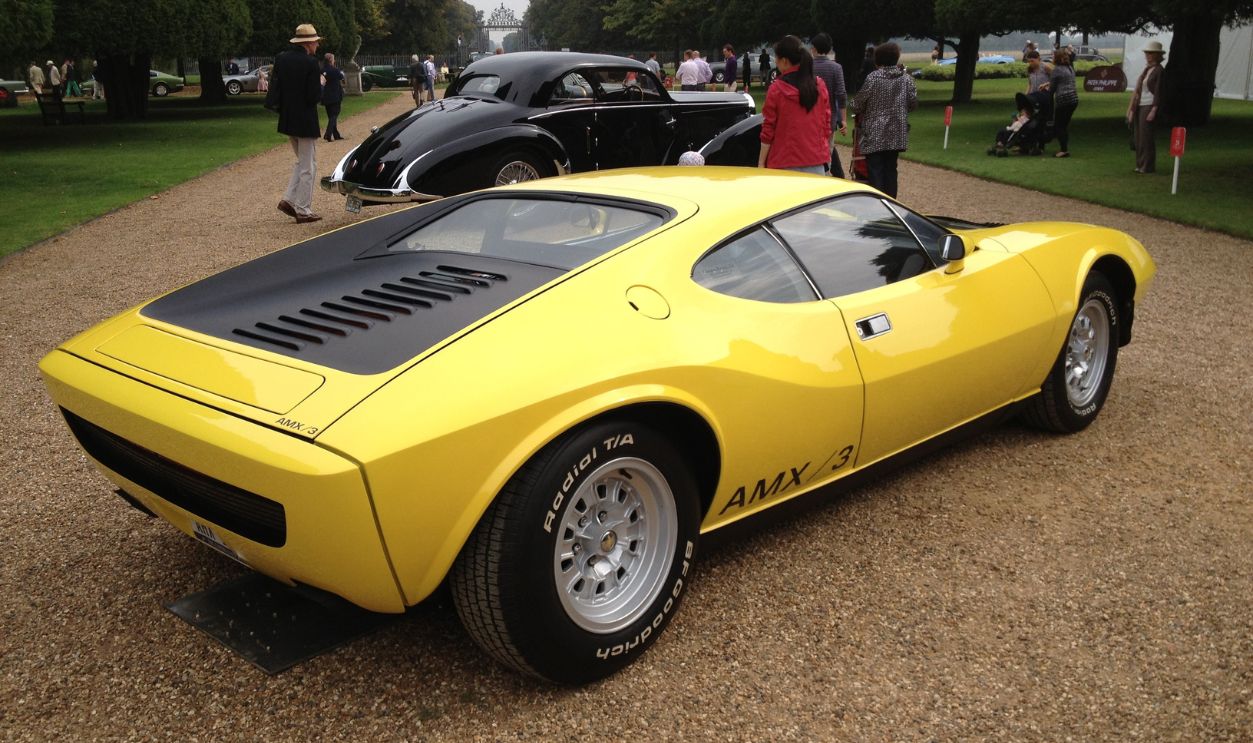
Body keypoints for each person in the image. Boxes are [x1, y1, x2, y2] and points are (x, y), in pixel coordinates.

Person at [851, 42, 917, 198]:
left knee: (875, 171)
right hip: (896, 132)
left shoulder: (873, 78)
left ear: (878, 60)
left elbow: (857, 104)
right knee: (891, 170)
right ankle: (891, 202)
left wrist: (854, 105)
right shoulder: (906, 79)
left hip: (874, 133)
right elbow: (913, 103)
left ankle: (878, 205)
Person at [758, 35, 831, 174]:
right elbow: (826, 124)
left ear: (784, 61)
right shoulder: (819, 85)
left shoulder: (777, 89)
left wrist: (761, 161)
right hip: (816, 161)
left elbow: (768, 130)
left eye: (777, 59)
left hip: (783, 162)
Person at [274, 23, 324, 224]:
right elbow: (313, 97)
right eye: (316, 42)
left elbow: (277, 89)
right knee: (308, 166)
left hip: (288, 117)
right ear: (309, 43)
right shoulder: (310, 63)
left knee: (302, 162)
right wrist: (320, 84)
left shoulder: (282, 59)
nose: (317, 45)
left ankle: (288, 200)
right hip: (304, 119)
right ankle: (303, 209)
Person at [810, 33, 848, 178]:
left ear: (813, 48)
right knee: (827, 152)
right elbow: (841, 94)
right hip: (829, 118)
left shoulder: (807, 67)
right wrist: (843, 118)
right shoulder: (836, 68)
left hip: (809, 118)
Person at [1128, 40, 1165, 174]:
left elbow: (1159, 91)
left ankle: (1147, 166)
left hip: (1149, 105)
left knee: (1146, 137)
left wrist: (1154, 109)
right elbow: (1138, 90)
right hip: (1140, 104)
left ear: (1157, 55)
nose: (1148, 55)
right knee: (1138, 137)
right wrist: (1132, 109)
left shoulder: (1159, 71)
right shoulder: (1147, 70)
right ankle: (1140, 164)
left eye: (1151, 53)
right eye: (1147, 53)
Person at [1043, 47, 1078, 157]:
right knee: (1063, 125)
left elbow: (1052, 89)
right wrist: (1047, 84)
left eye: (1053, 56)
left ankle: (1063, 150)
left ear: (1056, 58)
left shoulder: (1056, 70)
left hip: (1063, 100)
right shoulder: (1069, 67)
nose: (1052, 57)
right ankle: (1062, 146)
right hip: (1074, 99)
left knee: (1059, 126)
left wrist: (1045, 92)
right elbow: (1063, 81)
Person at [321, 52, 345, 142]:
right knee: (334, 115)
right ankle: (328, 133)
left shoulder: (322, 70)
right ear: (331, 60)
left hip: (326, 96)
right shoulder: (335, 70)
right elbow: (341, 78)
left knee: (331, 116)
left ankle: (336, 135)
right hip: (335, 96)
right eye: (333, 59)